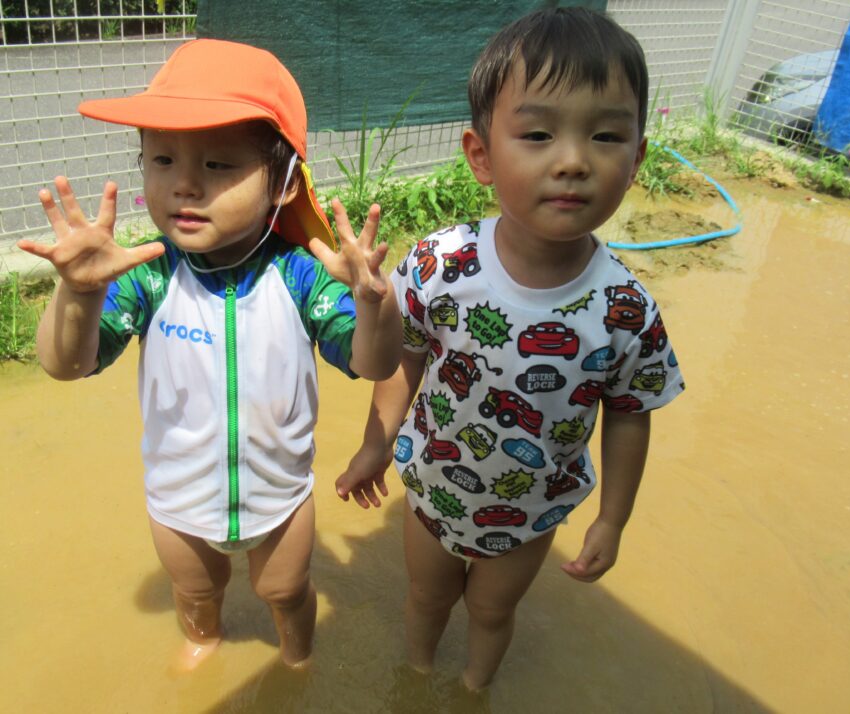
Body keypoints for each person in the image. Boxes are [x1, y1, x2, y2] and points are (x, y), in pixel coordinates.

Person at [18, 39, 402, 672]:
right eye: (162, 159)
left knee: (284, 589)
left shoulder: (299, 276)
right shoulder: (147, 275)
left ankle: (297, 654)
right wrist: (79, 295)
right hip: (180, 501)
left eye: (219, 164)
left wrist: (373, 305)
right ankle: (203, 638)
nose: (185, 185)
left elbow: (374, 363)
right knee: (196, 591)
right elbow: (66, 365)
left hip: (280, 500)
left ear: (284, 183)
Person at [336, 7, 685, 690]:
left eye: (606, 135)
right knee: (426, 597)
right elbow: (403, 359)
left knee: (493, 612)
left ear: (637, 159)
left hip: (530, 508)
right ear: (482, 156)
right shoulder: (442, 264)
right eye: (538, 134)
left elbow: (630, 414)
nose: (574, 161)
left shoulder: (626, 309)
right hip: (434, 485)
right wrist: (376, 442)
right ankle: (416, 678)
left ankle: (473, 689)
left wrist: (613, 520)